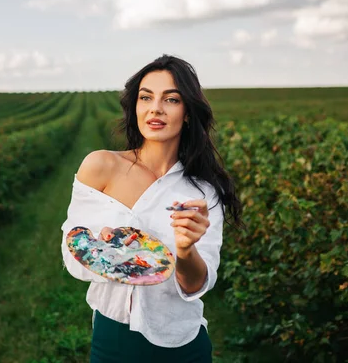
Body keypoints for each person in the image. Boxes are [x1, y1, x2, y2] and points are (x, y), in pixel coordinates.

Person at [60, 54, 243, 362]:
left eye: (171, 99)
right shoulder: (101, 165)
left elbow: (198, 284)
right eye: (146, 97)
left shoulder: (203, 191)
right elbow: (71, 252)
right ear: (136, 105)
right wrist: (105, 254)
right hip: (112, 339)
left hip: (182, 343)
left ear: (187, 112)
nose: (156, 108)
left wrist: (185, 251)